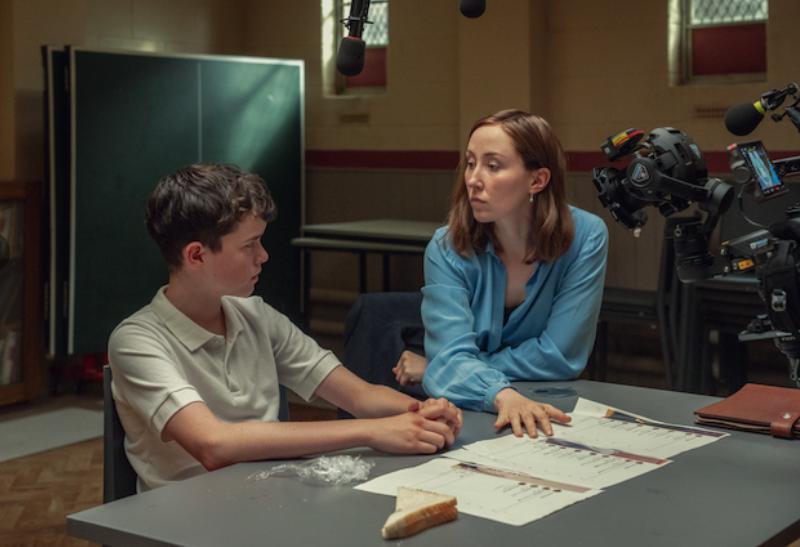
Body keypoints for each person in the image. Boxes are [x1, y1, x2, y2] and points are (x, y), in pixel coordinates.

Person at [108, 164, 462, 491]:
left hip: (265, 498)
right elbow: (213, 444)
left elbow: (360, 396)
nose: (263, 256)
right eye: (249, 245)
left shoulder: (256, 316)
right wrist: (372, 431)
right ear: (197, 255)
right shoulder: (136, 341)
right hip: (182, 520)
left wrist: (422, 412)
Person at [392, 110, 608, 439]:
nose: (473, 179)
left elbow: (561, 356)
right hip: (471, 409)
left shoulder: (586, 236)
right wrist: (496, 390)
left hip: (551, 405)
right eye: (470, 163)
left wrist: (443, 367)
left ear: (537, 180)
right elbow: (450, 361)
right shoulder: (447, 247)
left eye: (493, 166)